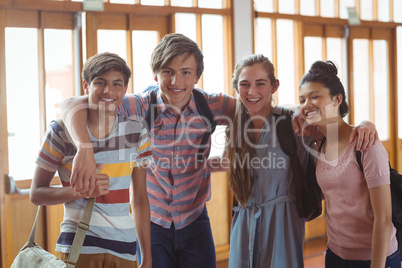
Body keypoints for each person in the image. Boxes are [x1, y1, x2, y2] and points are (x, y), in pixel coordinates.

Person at [61, 33, 236, 268]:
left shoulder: (211, 105)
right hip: (152, 222)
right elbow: (71, 104)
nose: (176, 81)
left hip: (195, 219)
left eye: (185, 72)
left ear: (197, 76)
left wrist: (226, 159)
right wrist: (83, 148)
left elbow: (252, 107)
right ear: (156, 74)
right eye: (168, 71)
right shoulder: (139, 105)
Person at [210, 54, 379, 268]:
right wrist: (189, 162)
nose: (252, 92)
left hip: (283, 225)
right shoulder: (235, 126)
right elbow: (227, 162)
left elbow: (337, 127)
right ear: (236, 88)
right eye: (244, 84)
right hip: (243, 224)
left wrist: (365, 124)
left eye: (260, 84)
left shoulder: (293, 123)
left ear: (274, 86)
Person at [30, 52, 153, 268]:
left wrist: (147, 257)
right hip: (78, 248)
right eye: (100, 83)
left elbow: (140, 199)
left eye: (117, 84)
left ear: (125, 89)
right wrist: (78, 191)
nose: (108, 91)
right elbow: (36, 193)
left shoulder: (136, 132)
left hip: (124, 249)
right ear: (86, 86)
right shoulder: (60, 131)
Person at [298, 60, 401, 268]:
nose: (306, 104)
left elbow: (384, 217)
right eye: (302, 99)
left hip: (374, 257)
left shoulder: (366, 145)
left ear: (337, 100)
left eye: (315, 96)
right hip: (335, 254)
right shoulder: (318, 147)